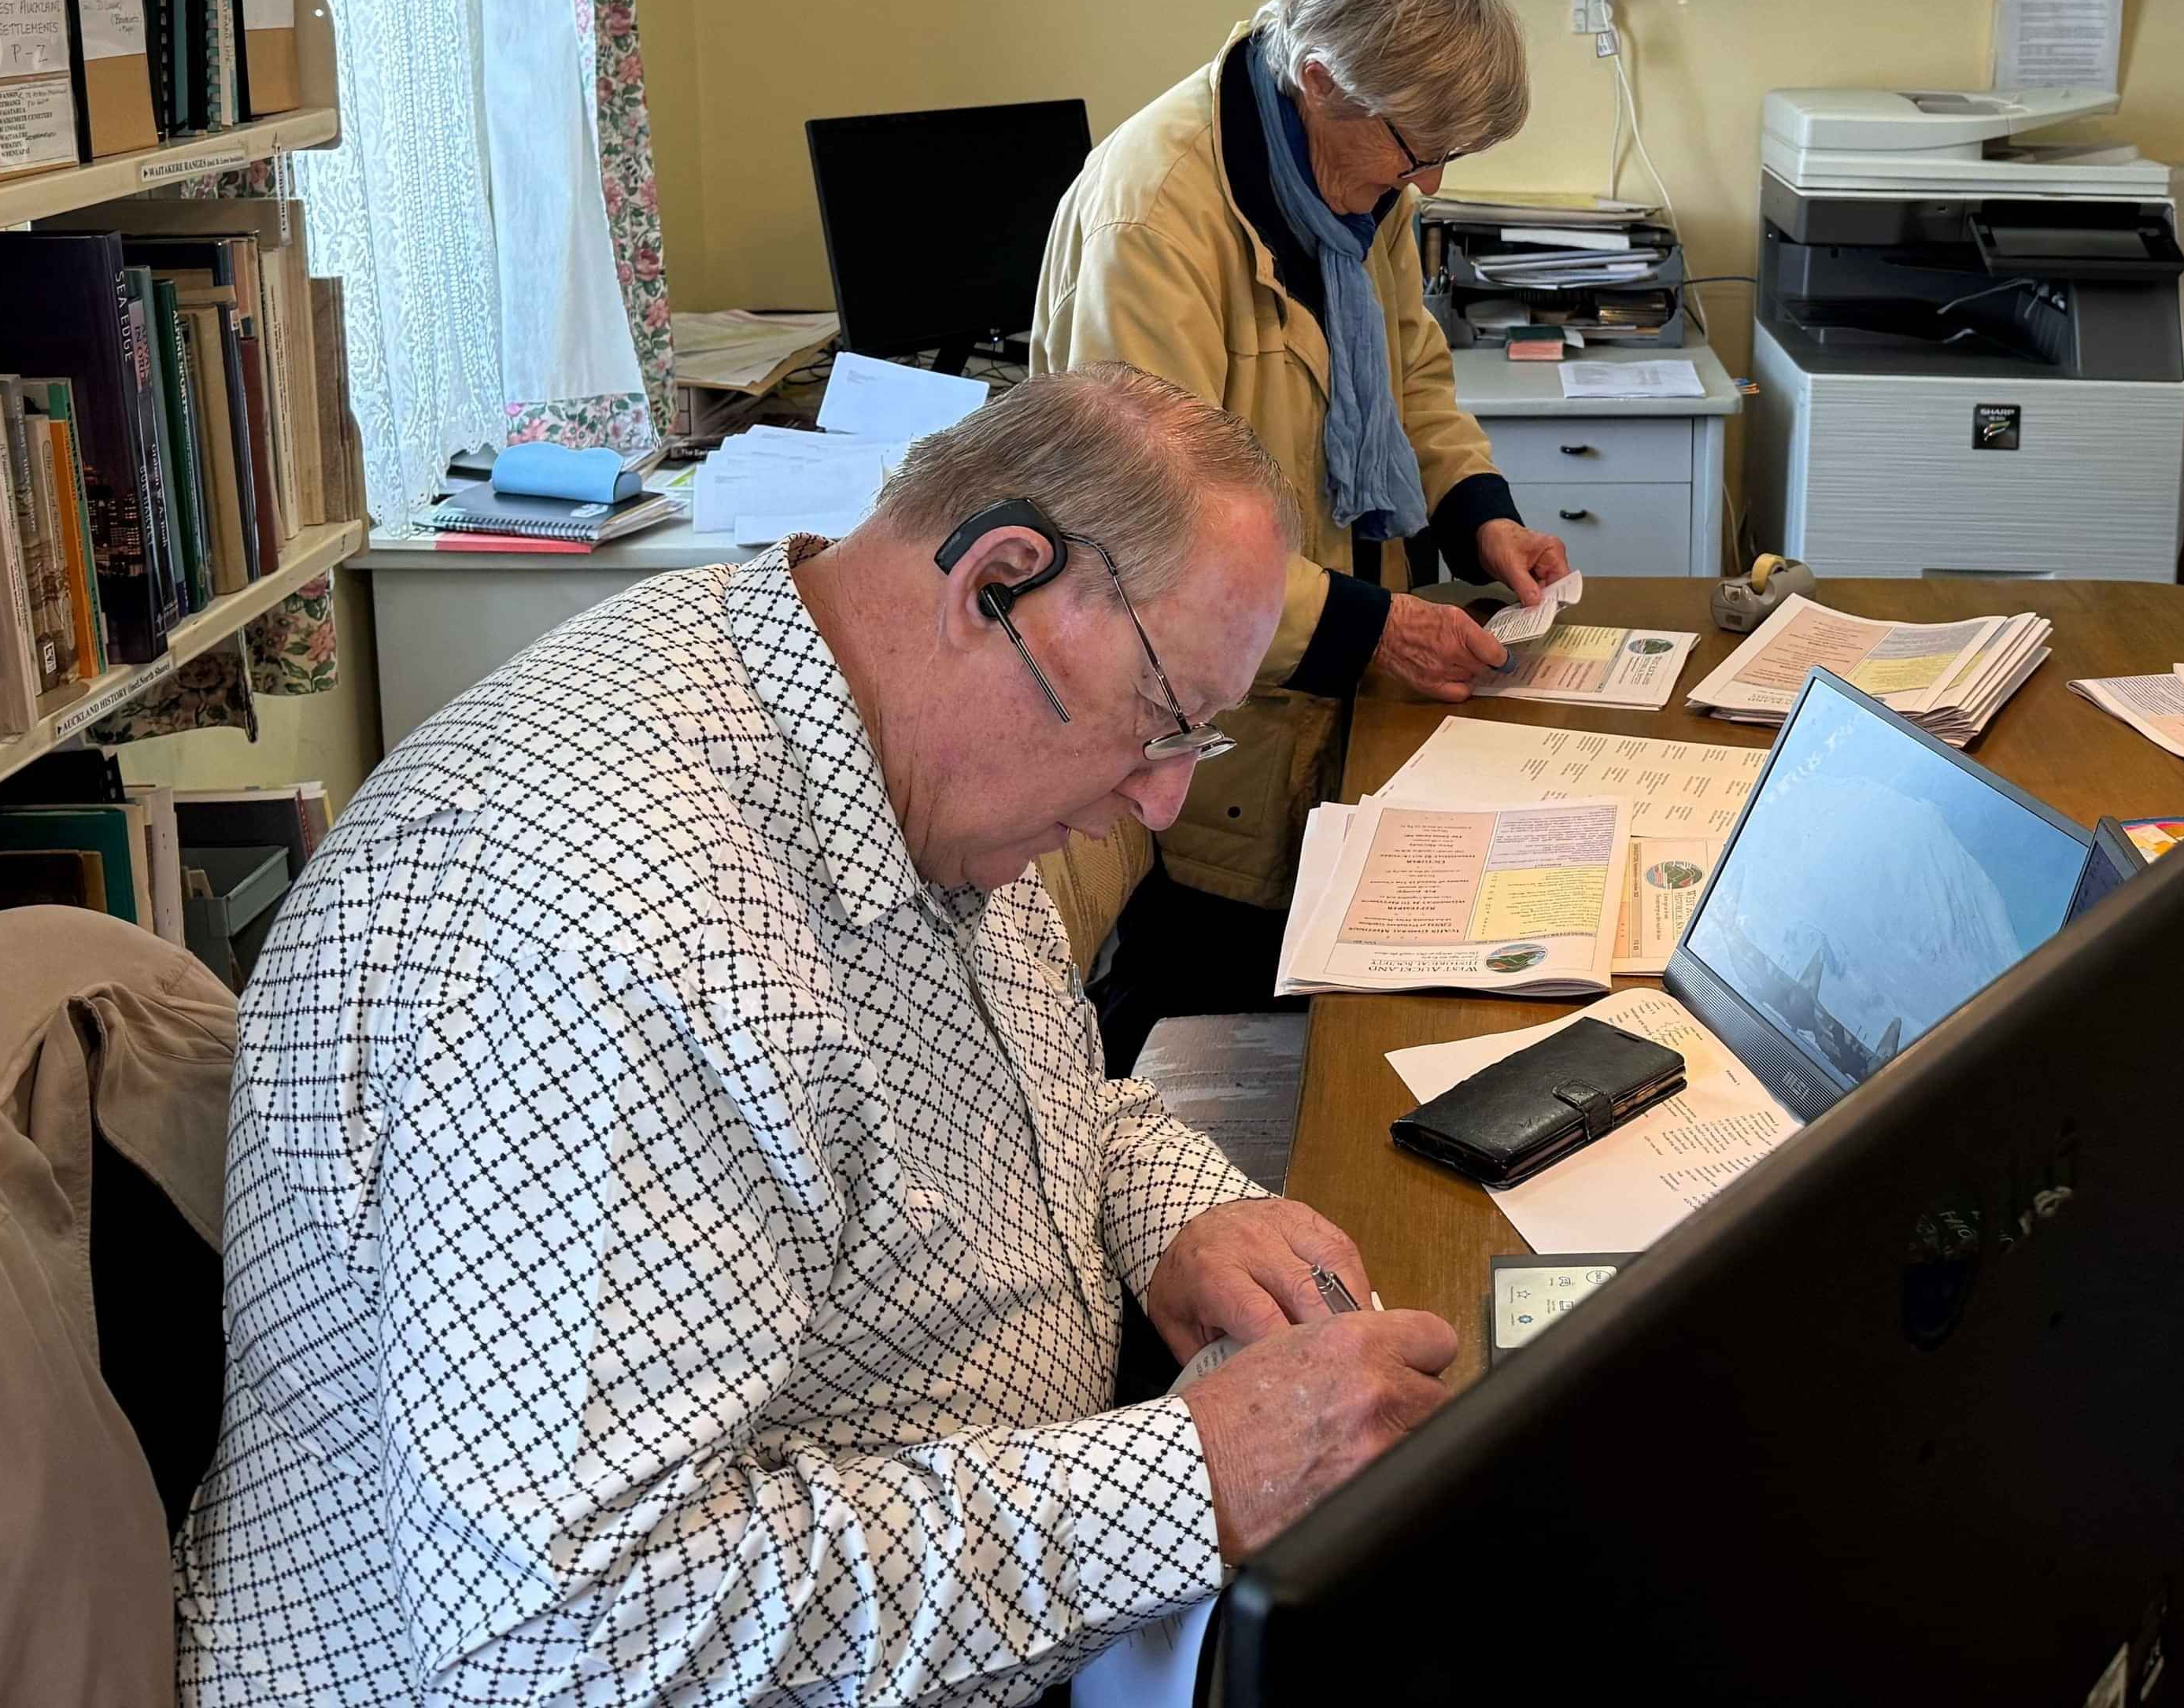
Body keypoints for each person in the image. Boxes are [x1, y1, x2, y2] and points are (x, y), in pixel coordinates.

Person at [179, 368, 1459, 1708]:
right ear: (1001, 585)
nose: (1161, 799)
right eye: (1159, 720)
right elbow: (564, 1640)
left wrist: (1175, 1211)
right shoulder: (606, 933)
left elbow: (1015, 1100)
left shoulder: (872, 714)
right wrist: (1191, 1481)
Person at [1032, 0, 1567, 1017]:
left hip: (1330, 694)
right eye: (1420, 148)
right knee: (1216, 1021)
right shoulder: (1153, 222)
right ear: (1320, 77)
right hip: (1204, 734)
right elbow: (1149, 539)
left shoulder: (1355, 174)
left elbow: (1409, 367)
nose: (1430, 181)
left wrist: (1480, 520)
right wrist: (1378, 629)